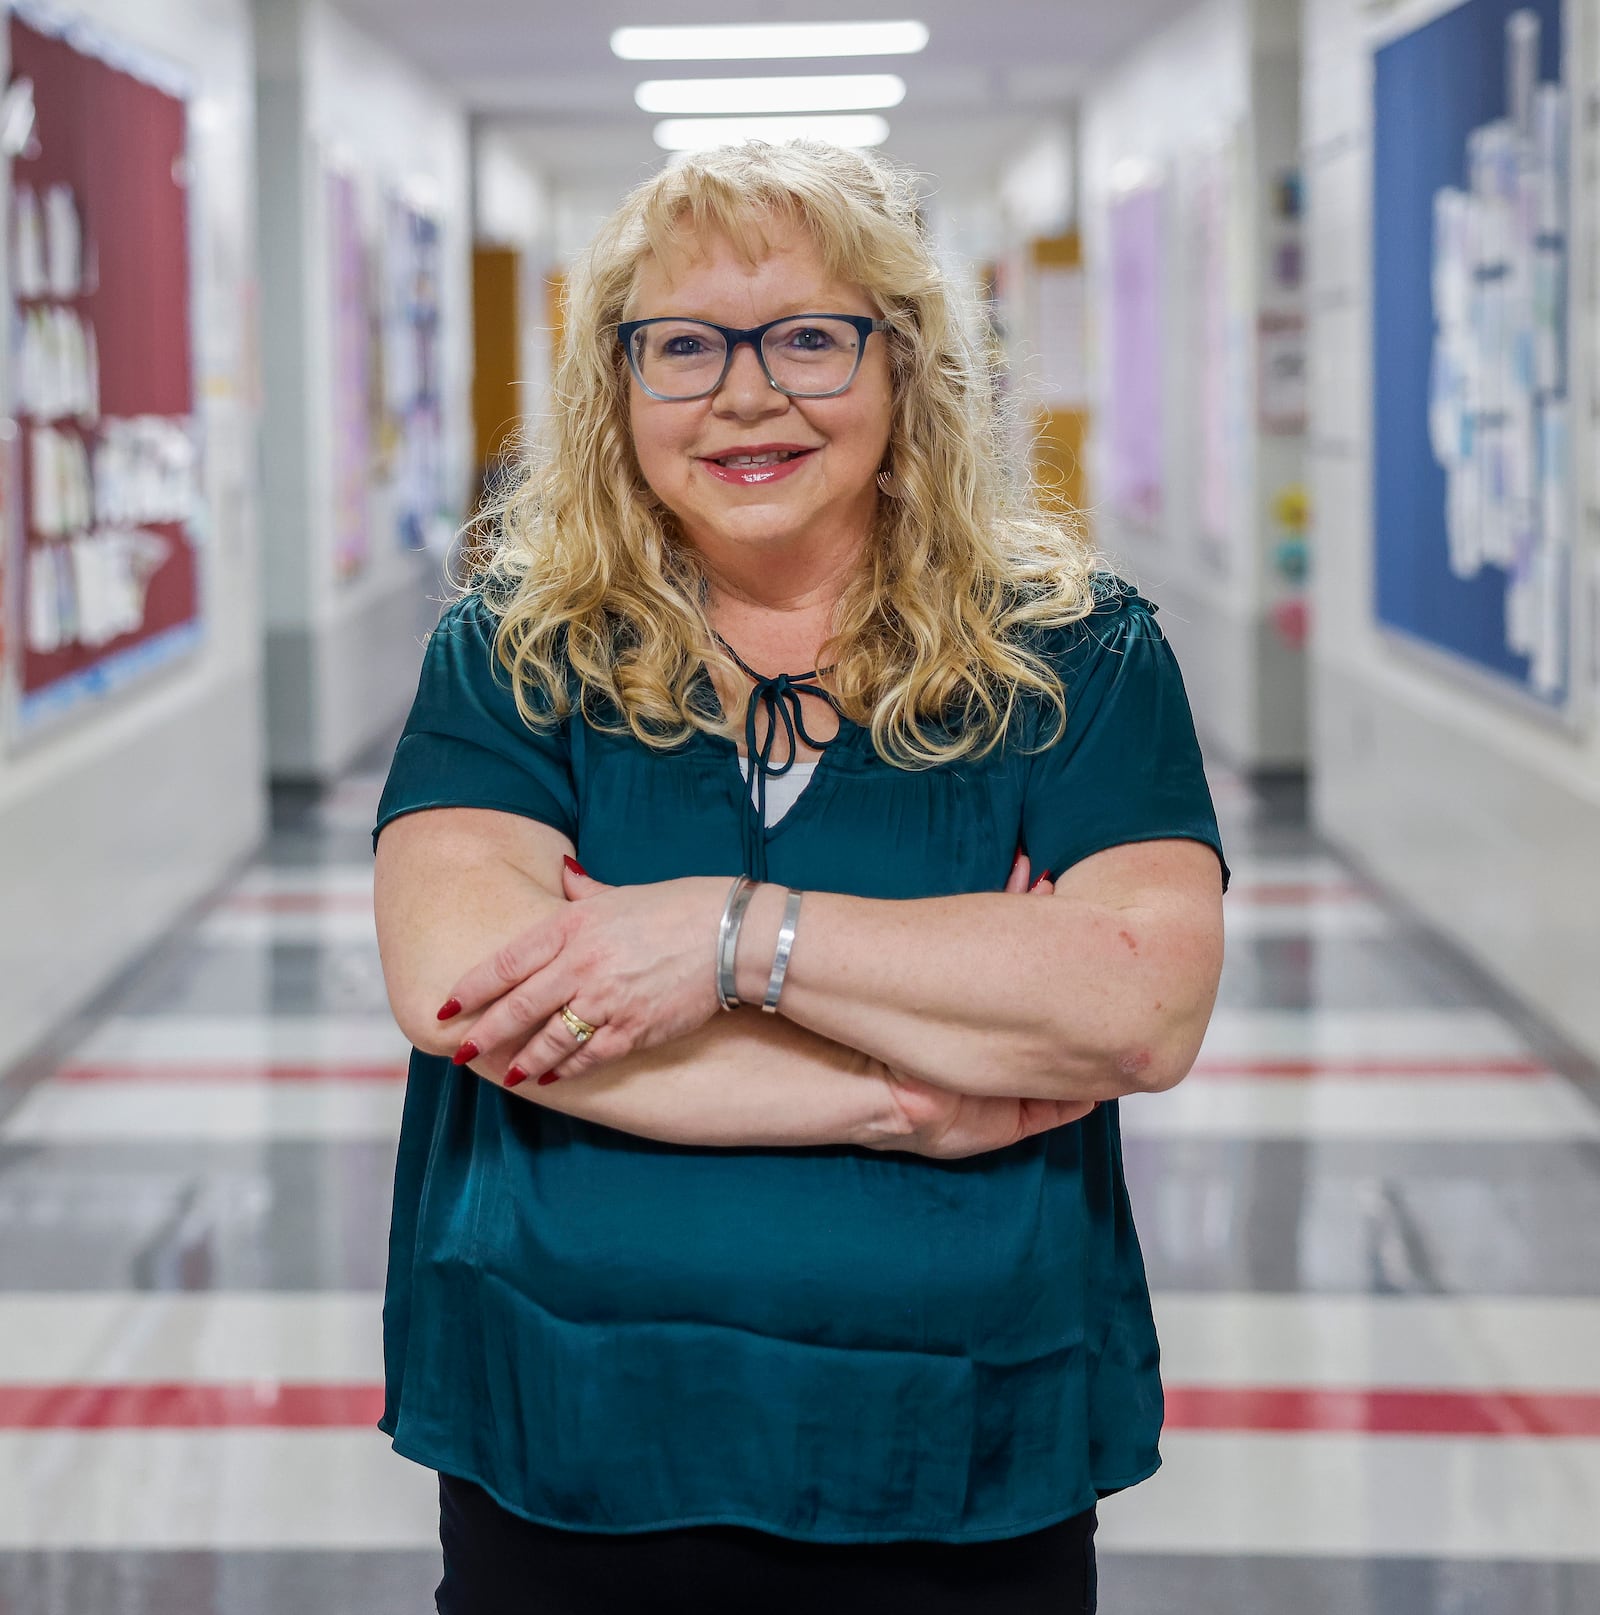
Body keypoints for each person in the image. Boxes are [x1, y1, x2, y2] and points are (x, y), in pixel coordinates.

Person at [373, 140, 1226, 1615]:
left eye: (810, 339)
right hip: (572, 1426)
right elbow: (473, 1000)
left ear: (905, 370)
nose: (745, 393)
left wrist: (720, 936)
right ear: (617, 387)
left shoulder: (1076, 653)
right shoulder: (517, 651)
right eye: (684, 346)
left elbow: (1137, 1009)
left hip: (954, 1441)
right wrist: (899, 1085)